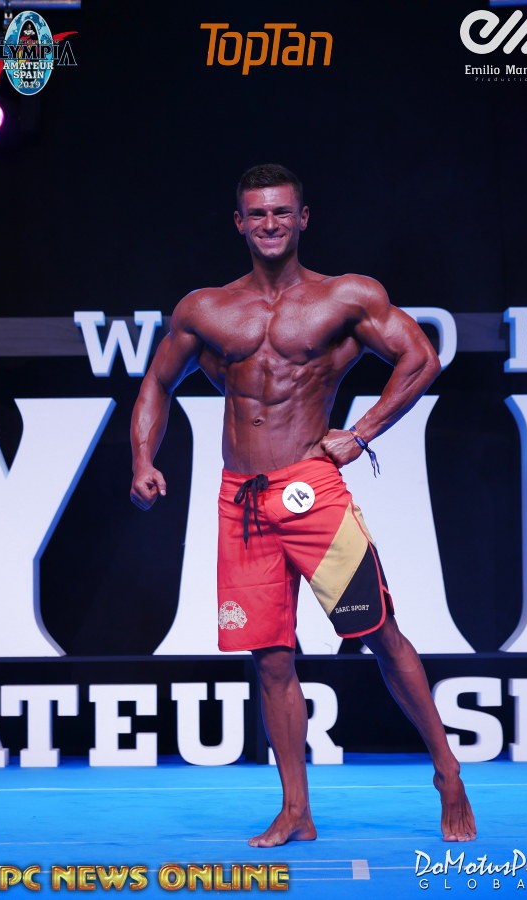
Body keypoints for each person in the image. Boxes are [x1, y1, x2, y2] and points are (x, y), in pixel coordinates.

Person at [130, 163, 477, 847]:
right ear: (239, 222)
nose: (270, 224)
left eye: (281, 212)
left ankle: (447, 771)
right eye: (258, 213)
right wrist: (142, 460)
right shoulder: (205, 309)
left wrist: (362, 432)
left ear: (303, 218)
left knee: (378, 633)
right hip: (241, 501)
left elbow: (421, 359)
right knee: (270, 657)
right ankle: (295, 810)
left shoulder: (345, 297)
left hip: (312, 493)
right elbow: (157, 383)